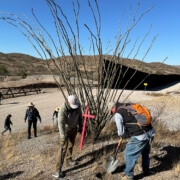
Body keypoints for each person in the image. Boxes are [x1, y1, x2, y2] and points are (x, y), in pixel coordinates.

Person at [107, 101, 155, 180]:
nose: (111, 113)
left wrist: (122, 133)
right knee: (145, 152)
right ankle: (146, 170)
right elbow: (133, 119)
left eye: (111, 111)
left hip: (141, 135)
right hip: (150, 132)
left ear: (113, 108)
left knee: (128, 153)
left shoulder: (118, 114)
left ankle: (129, 176)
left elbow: (121, 133)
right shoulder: (128, 106)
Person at [53, 95, 83, 178]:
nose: (74, 107)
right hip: (65, 130)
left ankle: (69, 159)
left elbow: (80, 115)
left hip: (74, 128)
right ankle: (57, 170)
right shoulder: (62, 109)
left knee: (71, 145)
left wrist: (81, 126)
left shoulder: (77, 105)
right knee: (63, 149)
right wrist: (62, 136)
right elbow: (61, 123)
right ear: (67, 102)